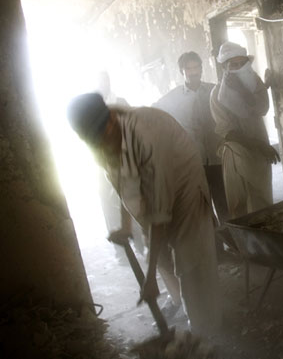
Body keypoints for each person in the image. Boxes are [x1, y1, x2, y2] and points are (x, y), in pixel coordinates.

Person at [67, 93, 222, 337]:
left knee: (191, 263)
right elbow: (123, 183)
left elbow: (158, 213)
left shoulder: (147, 134)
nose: (101, 143)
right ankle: (180, 301)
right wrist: (125, 226)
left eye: (104, 136)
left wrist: (148, 280)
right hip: (153, 190)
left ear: (110, 120)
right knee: (157, 253)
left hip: (186, 188)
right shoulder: (98, 139)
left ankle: (206, 330)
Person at [153, 52, 228, 224]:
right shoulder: (172, 98)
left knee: (226, 205)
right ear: (182, 71)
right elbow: (155, 114)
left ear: (202, 69)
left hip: (219, 158)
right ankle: (215, 248)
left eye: (197, 67)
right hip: (193, 163)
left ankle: (234, 246)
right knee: (203, 208)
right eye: (189, 68)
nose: (194, 72)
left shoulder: (214, 90)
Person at [210, 42, 279, 219]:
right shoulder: (218, 94)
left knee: (262, 201)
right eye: (233, 65)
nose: (238, 68)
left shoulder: (253, 84)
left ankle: (265, 242)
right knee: (240, 206)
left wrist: (242, 90)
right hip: (237, 153)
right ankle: (245, 245)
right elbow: (229, 132)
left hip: (259, 151)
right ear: (225, 67)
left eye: (242, 64)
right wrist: (259, 146)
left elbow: (261, 108)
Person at [93, 71, 146, 263]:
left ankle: (141, 245)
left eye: (104, 80)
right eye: (97, 81)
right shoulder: (91, 107)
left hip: (124, 159)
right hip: (103, 166)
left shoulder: (120, 101)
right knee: (110, 208)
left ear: (108, 82)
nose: (101, 84)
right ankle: (122, 253)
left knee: (132, 201)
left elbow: (133, 126)